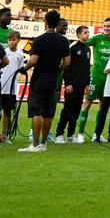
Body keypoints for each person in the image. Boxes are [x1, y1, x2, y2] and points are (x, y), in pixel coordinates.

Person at [22, 11, 72, 151]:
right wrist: (58, 70)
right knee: (48, 112)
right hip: (53, 79)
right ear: (57, 23)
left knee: (37, 112)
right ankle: (44, 144)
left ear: (46, 22)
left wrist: (24, 69)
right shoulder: (63, 41)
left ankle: (35, 144)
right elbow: (67, 62)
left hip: (39, 78)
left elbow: (33, 60)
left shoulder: (39, 40)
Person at [79, 17, 110, 139]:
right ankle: (81, 134)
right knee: (87, 102)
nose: (106, 28)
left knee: (103, 106)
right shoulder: (97, 38)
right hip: (96, 77)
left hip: (109, 78)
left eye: (109, 26)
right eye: (105, 26)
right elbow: (82, 44)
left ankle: (96, 134)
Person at [56, 25, 92, 144]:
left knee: (76, 110)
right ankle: (59, 134)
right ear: (79, 35)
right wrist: (68, 83)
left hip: (82, 85)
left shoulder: (88, 49)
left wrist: (87, 83)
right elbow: (67, 67)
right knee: (67, 109)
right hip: (72, 85)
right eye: (85, 32)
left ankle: (71, 134)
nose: (87, 34)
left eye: (88, 32)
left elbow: (87, 68)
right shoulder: (73, 48)